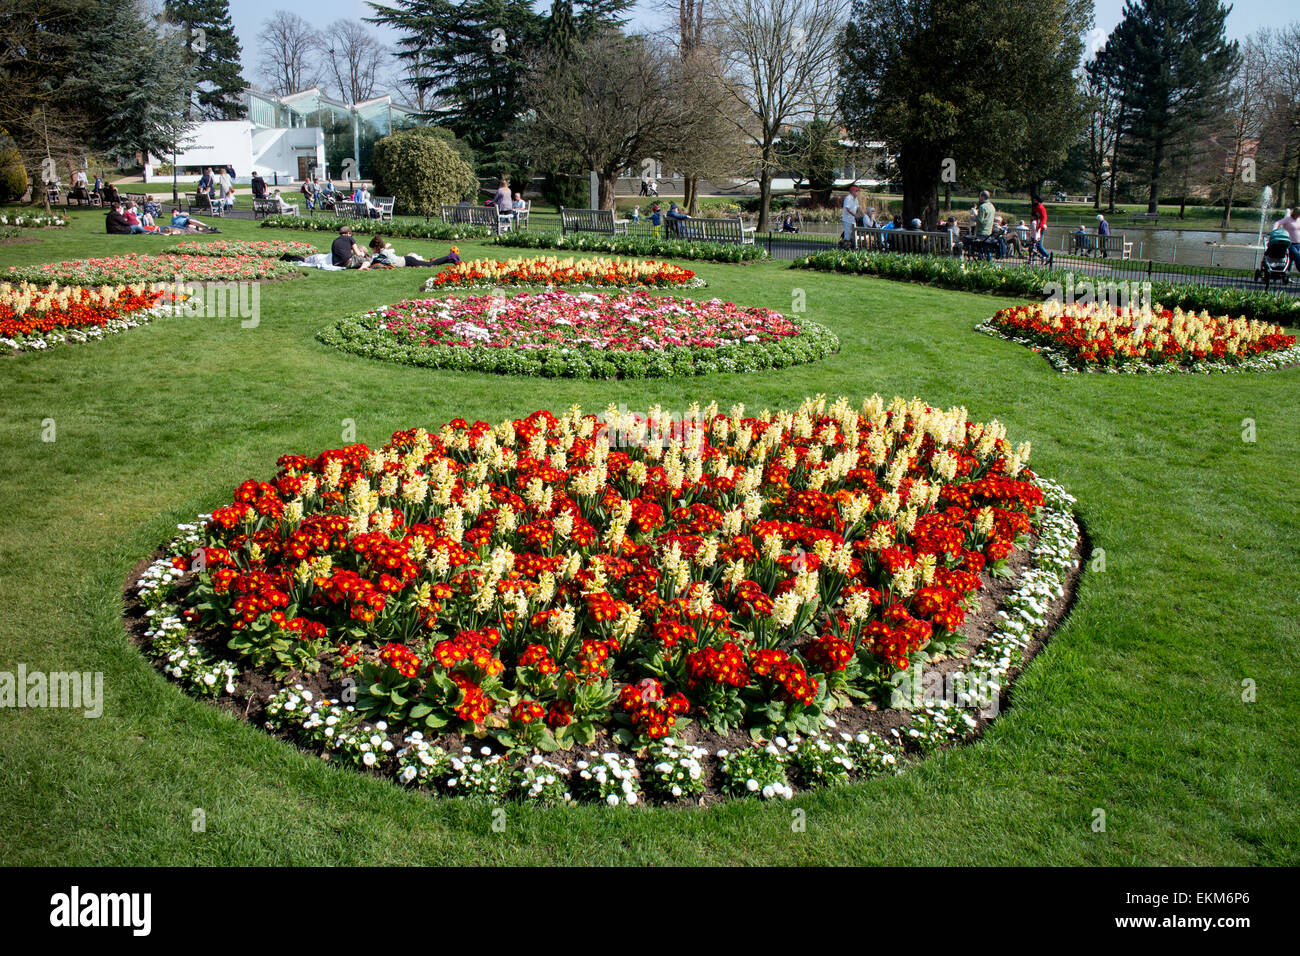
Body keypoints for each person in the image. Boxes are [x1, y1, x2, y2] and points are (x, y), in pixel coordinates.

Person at [1028, 192, 1052, 267]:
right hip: (1038, 227)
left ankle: (1047, 256)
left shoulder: (1041, 207)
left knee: (1038, 244)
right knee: (1035, 245)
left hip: (1040, 228)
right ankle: (1034, 258)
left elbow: (1044, 217)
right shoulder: (1037, 207)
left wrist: (1040, 226)